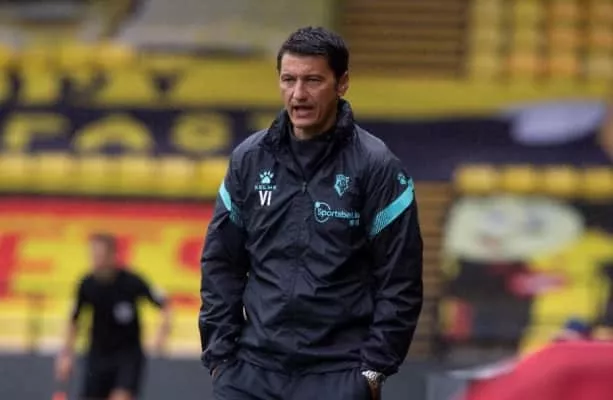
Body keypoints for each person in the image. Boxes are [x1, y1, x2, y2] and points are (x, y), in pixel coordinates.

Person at [199, 26, 423, 400]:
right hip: (251, 373)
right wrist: (220, 357)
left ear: (342, 83)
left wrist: (373, 371)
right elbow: (221, 262)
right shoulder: (249, 159)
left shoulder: (377, 166)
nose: (298, 94)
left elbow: (401, 278)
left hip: (338, 375)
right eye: (289, 79)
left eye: (313, 80)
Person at [55, 233, 171, 400]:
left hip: (127, 356)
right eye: (93, 256)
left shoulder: (132, 281)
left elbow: (164, 304)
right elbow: (74, 320)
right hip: (97, 355)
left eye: (100, 256)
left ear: (112, 255)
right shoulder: (87, 285)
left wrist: (161, 333)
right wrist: (66, 355)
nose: (96, 261)